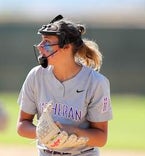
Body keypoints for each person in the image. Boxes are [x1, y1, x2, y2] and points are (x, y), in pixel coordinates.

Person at [17, 15, 113, 156]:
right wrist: (44, 133)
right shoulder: (36, 76)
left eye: (47, 42)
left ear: (66, 47)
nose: (40, 47)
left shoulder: (95, 82)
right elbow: (22, 125)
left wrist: (73, 132)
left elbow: (101, 138)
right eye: (41, 41)